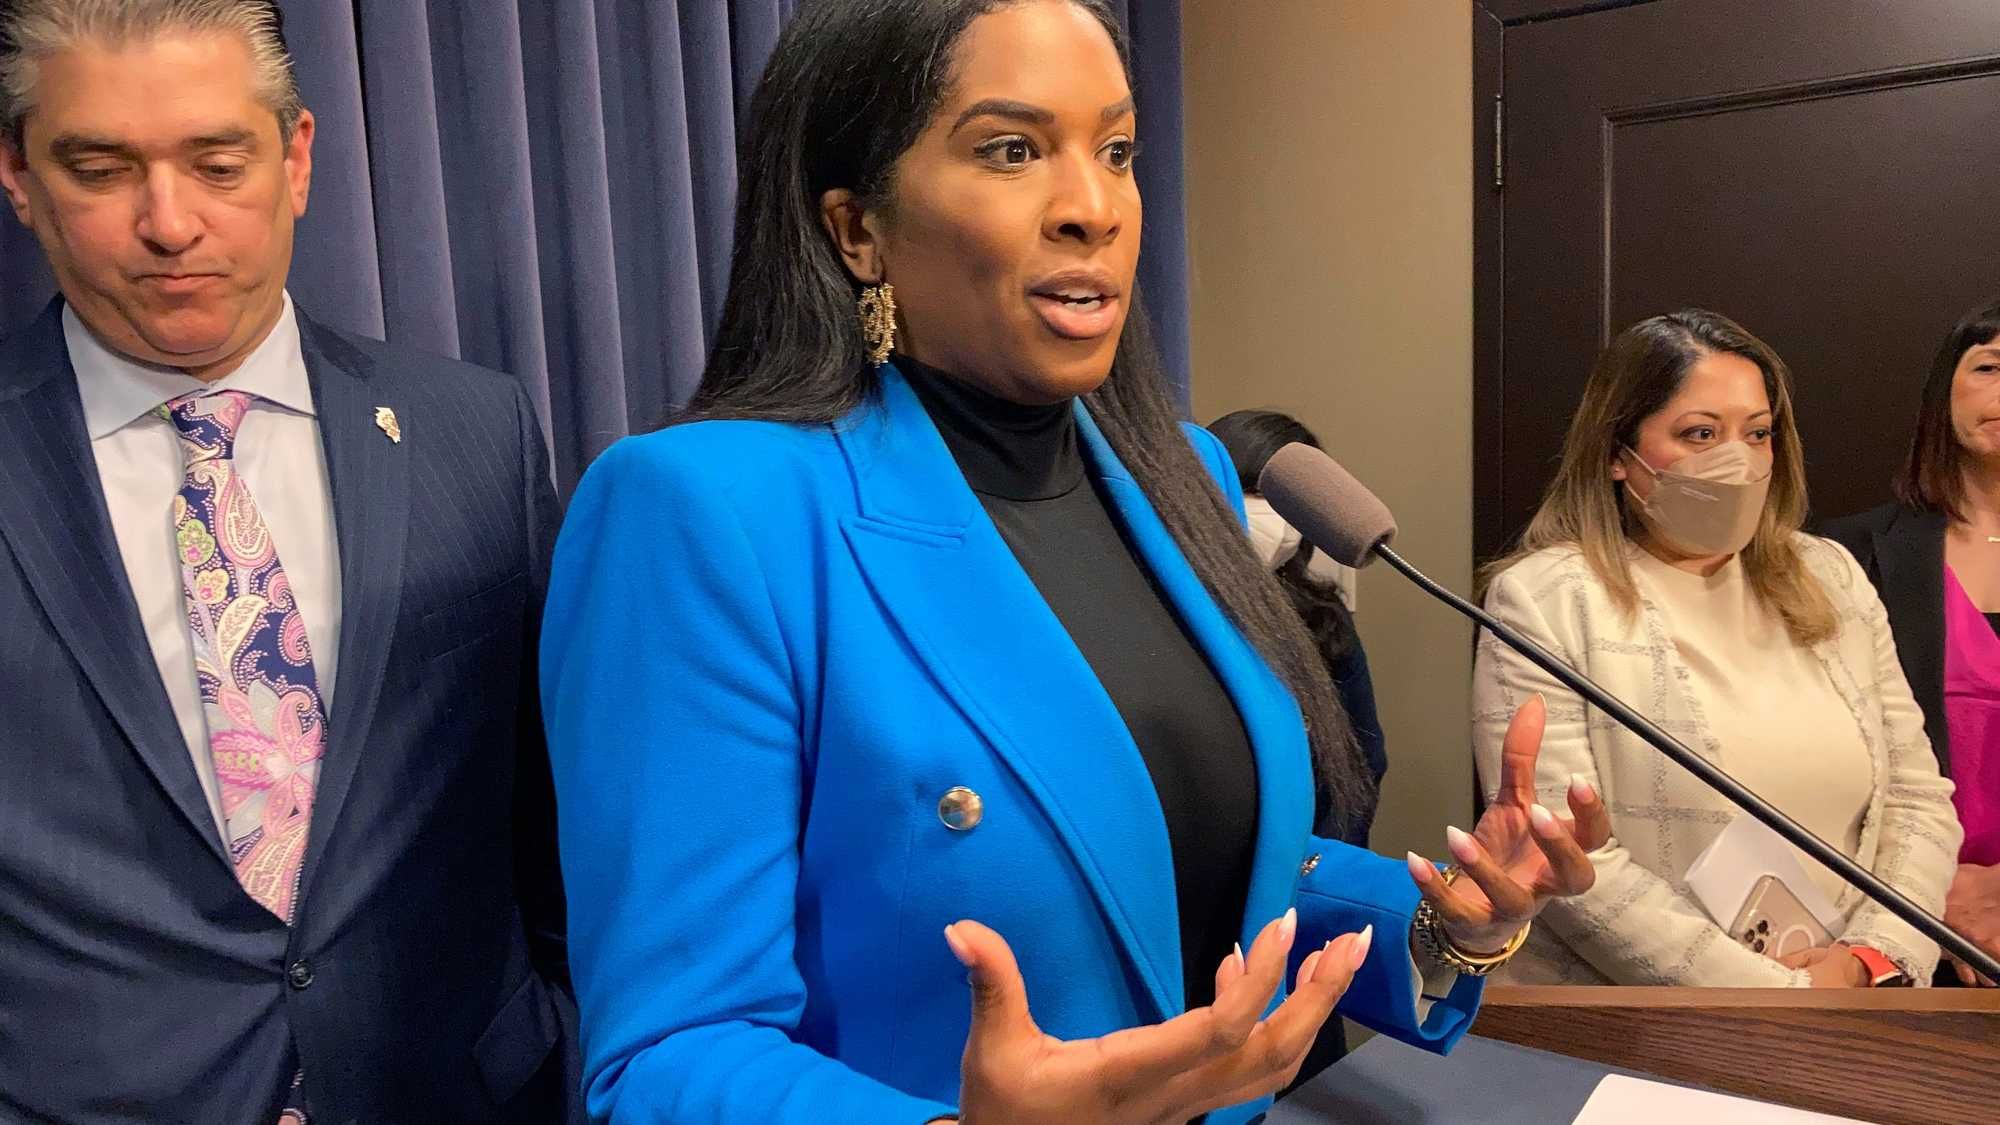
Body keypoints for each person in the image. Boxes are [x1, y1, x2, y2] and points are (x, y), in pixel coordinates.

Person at [540, 2, 1609, 1122]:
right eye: (1011, 150)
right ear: (857, 229)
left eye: (1116, 151)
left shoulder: (1182, 474)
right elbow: (667, 1053)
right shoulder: (702, 510)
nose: (1091, 207)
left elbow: (1189, 867)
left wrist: (1440, 923)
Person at [0, 3, 576, 1120]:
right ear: (20, 177)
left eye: (219, 165)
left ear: (298, 158)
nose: (171, 223)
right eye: (101, 171)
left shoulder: (476, 430)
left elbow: (547, 814)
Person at [1473, 308, 1961, 988]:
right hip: (1638, 1021)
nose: (1737, 461)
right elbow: (1570, 860)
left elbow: (1917, 798)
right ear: (1617, 453)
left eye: (1757, 433)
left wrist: (1870, 960)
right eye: (1700, 434)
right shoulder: (1543, 599)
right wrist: (1784, 996)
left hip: (1853, 1003)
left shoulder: (1831, 575)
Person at [1823, 298, 2000, 985]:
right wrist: (1930, 890)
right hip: (1888, 922)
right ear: (1942, 394)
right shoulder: (1847, 555)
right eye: (1989, 367)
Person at [1209, 408, 1386, 844]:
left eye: (1286, 502)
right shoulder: (1157, 608)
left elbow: (1363, 762)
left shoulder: (1322, 618)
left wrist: (1315, 867)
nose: (1271, 516)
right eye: (1252, 491)